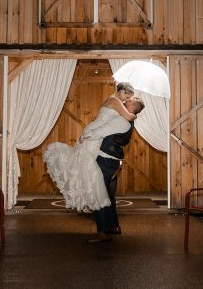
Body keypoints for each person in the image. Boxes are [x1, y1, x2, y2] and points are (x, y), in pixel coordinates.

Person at [43, 82, 137, 212]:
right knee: (89, 167)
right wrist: (135, 115)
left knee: (85, 167)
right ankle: (90, 201)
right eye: (127, 97)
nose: (127, 100)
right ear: (122, 91)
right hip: (93, 136)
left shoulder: (110, 99)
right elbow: (128, 116)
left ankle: (88, 201)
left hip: (92, 132)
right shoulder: (116, 101)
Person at [88, 96, 145, 243]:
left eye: (128, 102)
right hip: (112, 159)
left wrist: (87, 133)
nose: (124, 102)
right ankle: (113, 226)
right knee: (108, 194)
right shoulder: (127, 120)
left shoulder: (122, 120)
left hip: (106, 159)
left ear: (132, 108)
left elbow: (101, 132)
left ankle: (103, 232)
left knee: (99, 194)